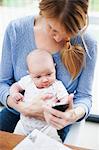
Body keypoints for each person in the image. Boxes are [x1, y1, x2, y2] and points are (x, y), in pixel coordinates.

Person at [0, 0, 97, 142]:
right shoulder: (16, 30)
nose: (58, 38)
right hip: (18, 113)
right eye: (53, 28)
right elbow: (3, 84)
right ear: (43, 11)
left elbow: (84, 97)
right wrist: (26, 109)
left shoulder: (88, 44)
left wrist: (73, 115)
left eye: (68, 33)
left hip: (56, 121)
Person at [10, 49, 68, 142]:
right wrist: (15, 93)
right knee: (15, 142)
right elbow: (15, 86)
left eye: (49, 74)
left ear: (54, 67)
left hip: (46, 127)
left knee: (54, 144)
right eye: (38, 77)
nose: (45, 80)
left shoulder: (56, 85)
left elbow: (65, 99)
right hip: (24, 125)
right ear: (30, 73)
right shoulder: (28, 81)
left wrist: (59, 106)